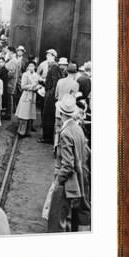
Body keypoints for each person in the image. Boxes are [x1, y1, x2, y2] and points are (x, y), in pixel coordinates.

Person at [47, 95, 91, 232]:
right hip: (79, 178)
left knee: (56, 217)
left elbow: (67, 164)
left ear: (61, 113)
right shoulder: (78, 128)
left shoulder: (65, 132)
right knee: (74, 213)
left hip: (67, 183)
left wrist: (58, 182)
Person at [39, 55, 63, 144]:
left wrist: (50, 94)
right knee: (48, 116)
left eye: (49, 56)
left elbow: (55, 82)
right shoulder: (55, 67)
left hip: (50, 96)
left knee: (47, 116)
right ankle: (48, 137)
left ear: (53, 57)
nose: (47, 58)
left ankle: (47, 137)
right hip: (50, 94)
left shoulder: (54, 67)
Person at [15, 61, 41, 137]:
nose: (31, 68)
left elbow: (38, 84)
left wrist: (38, 87)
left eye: (33, 66)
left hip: (33, 96)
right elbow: (23, 86)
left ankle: (28, 131)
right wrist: (33, 86)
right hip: (26, 95)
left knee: (30, 114)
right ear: (27, 67)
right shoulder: (25, 75)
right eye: (30, 66)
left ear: (35, 67)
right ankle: (21, 131)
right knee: (24, 114)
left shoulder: (36, 75)